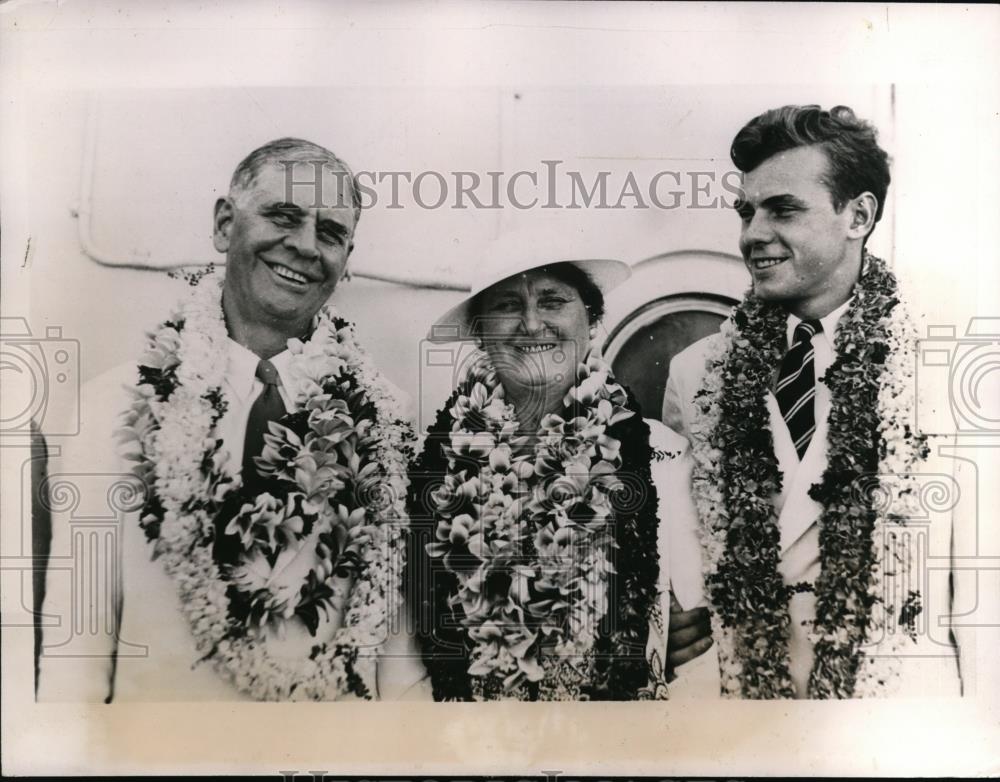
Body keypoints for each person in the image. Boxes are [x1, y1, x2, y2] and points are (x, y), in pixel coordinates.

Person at [37, 138, 417, 701]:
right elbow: (76, 653)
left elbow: (396, 656)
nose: (306, 247)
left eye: (330, 233)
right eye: (283, 217)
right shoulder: (108, 406)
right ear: (223, 225)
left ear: (346, 260)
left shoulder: (388, 419)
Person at [663, 105, 970, 698]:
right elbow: (681, 557)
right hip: (738, 716)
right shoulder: (693, 371)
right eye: (747, 211)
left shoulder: (946, 365)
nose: (754, 234)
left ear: (858, 215)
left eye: (784, 209)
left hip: (892, 722)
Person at [404, 227, 686, 700]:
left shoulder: (666, 459)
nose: (532, 325)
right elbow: (406, 646)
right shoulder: (431, 465)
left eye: (553, 301)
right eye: (508, 305)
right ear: (479, 330)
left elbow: (693, 647)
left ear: (591, 319)